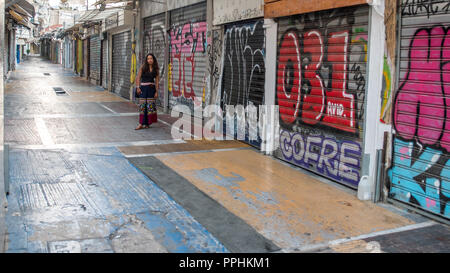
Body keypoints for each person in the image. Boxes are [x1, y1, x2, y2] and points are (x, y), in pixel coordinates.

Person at [135, 53, 159, 130]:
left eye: (151, 58)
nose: (149, 60)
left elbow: (157, 81)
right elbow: (138, 77)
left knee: (150, 107)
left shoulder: (156, 69)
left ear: (153, 59)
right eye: (148, 59)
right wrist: (138, 87)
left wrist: (156, 92)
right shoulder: (143, 67)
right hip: (143, 89)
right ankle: (141, 123)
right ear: (146, 60)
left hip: (151, 89)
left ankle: (147, 123)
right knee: (143, 107)